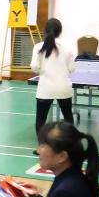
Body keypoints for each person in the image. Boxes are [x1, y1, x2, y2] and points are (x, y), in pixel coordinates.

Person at [31, 18, 76, 150]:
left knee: (41, 119)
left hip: (45, 89)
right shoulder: (68, 48)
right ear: (60, 31)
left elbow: (34, 67)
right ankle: (69, 146)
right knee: (68, 116)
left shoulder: (38, 47)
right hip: (64, 88)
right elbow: (72, 69)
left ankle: (41, 147)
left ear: (45, 30)